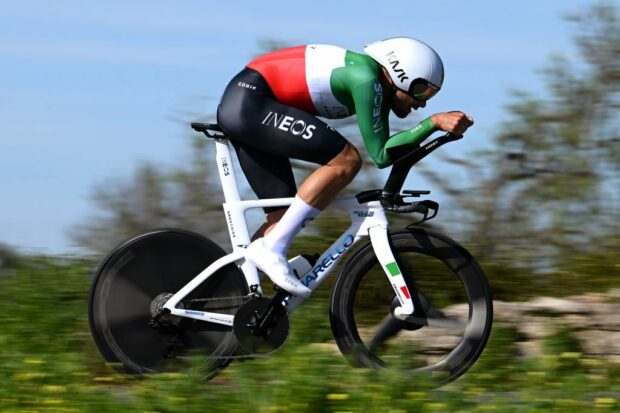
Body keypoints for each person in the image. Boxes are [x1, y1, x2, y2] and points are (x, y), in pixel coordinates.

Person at [216, 37, 473, 298]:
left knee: (284, 217)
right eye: (422, 92)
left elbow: (384, 153)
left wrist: (433, 128)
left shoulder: (376, 87)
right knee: (347, 160)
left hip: (249, 105)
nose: (422, 103)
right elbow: (382, 154)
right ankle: (271, 249)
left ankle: (227, 294)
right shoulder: (366, 80)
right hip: (251, 102)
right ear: (400, 76)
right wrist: (433, 123)